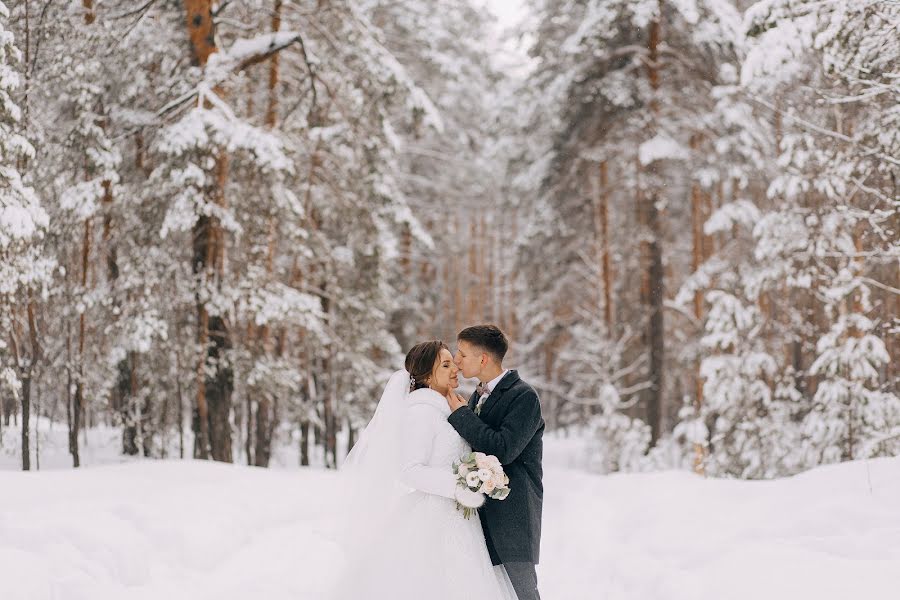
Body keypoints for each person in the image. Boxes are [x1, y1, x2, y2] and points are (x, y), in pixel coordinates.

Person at [335, 340, 517, 600]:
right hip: (435, 518)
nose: (455, 368)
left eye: (452, 362)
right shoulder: (421, 412)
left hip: (462, 520)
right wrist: (460, 485)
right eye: (445, 365)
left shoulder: (450, 408)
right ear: (427, 377)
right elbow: (410, 470)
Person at [446, 325, 545, 600]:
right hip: (483, 515)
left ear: (483, 359)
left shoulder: (524, 396)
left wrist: (462, 415)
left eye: (462, 354)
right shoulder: (479, 395)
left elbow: (502, 450)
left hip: (514, 516)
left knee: (523, 593)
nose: (456, 359)